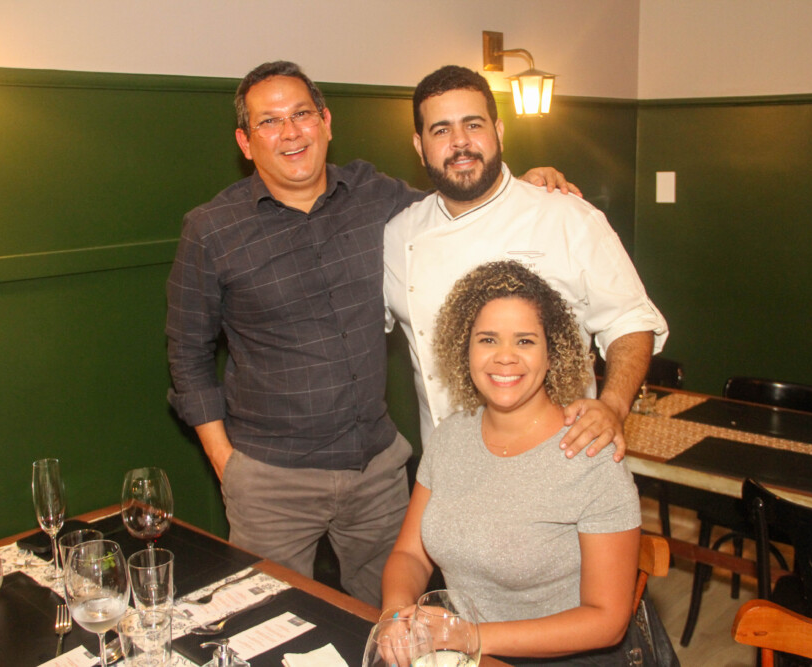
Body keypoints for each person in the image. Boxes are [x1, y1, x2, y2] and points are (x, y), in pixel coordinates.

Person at [166, 60, 579, 606]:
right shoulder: (211, 230)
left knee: (392, 619)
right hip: (270, 480)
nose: (290, 132)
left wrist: (522, 186)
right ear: (246, 142)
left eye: (302, 114)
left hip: (378, 472)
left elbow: (458, 205)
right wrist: (227, 464)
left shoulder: (375, 194)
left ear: (326, 122)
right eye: (269, 121)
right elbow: (187, 354)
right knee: (267, 619)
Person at [385, 66, 669, 461]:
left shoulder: (566, 216)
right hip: (449, 466)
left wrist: (613, 406)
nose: (460, 142)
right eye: (441, 130)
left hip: (562, 456)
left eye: (473, 124)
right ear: (419, 146)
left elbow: (631, 320)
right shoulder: (399, 234)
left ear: (499, 132)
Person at [381, 260, 641, 663]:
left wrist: (469, 636)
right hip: (466, 652)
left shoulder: (591, 455)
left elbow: (607, 621)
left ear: (552, 354)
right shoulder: (450, 438)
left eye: (525, 341)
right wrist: (398, 615)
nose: (505, 357)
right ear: (465, 349)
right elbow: (410, 555)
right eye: (488, 339)